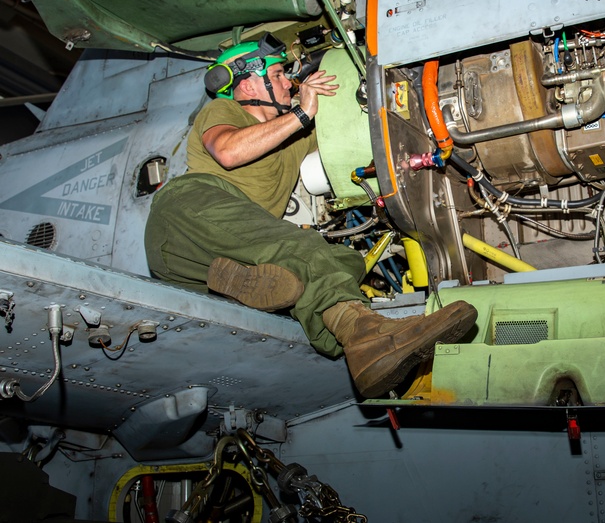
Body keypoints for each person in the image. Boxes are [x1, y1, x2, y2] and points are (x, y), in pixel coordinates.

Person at [143, 36, 477, 397]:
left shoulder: (294, 135)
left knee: (335, 261)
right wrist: (301, 113)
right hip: (184, 216)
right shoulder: (224, 113)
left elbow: (345, 130)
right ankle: (365, 336)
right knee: (300, 246)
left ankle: (360, 339)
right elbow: (228, 151)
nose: (289, 81)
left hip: (205, 273)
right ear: (248, 83)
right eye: (278, 73)